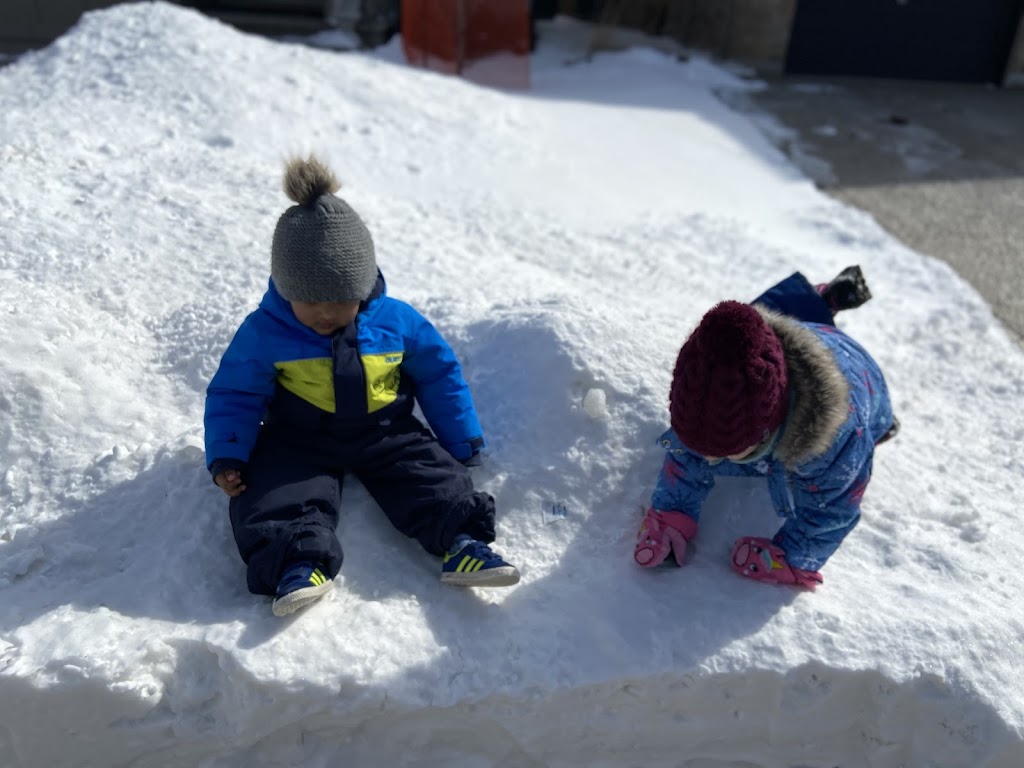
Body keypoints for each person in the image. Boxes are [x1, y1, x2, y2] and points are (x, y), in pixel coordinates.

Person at [205, 155, 519, 617]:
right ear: (287, 288)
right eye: (310, 301)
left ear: (364, 287)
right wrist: (228, 454)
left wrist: (461, 440)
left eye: (341, 300)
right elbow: (235, 392)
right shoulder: (265, 331)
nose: (326, 313)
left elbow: (439, 374)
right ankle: (298, 562)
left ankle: (463, 541)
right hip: (299, 437)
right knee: (274, 490)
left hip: (385, 431)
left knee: (432, 473)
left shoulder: (397, 322)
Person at [633, 267, 897, 588]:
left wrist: (792, 557)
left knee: (856, 456)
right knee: (744, 338)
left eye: (726, 453)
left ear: (767, 433)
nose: (710, 461)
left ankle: (821, 302)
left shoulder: (836, 438)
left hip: (863, 386)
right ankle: (817, 302)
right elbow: (685, 454)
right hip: (796, 343)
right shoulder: (708, 390)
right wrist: (672, 512)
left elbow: (831, 510)